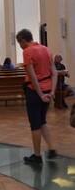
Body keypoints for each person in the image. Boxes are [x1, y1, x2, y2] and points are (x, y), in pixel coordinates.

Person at [16, 29, 58, 165]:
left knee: (35, 124)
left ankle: (37, 155)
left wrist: (40, 95)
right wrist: (52, 92)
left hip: (35, 92)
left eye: (19, 43)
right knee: (42, 121)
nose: (20, 46)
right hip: (47, 88)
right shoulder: (46, 49)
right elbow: (54, 72)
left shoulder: (27, 51)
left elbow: (32, 76)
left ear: (23, 40)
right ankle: (51, 149)